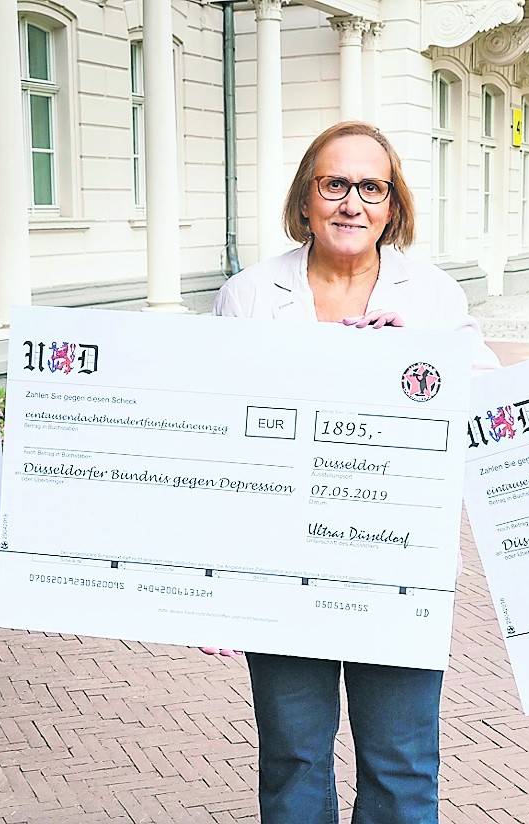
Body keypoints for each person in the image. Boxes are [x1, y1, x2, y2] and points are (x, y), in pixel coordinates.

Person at [207, 121, 498, 824]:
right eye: (334, 184)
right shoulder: (248, 296)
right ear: (305, 199)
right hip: (281, 563)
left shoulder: (433, 298)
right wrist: (211, 576)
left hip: (395, 566)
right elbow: (213, 437)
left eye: (372, 187)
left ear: (393, 206)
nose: (351, 203)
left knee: (402, 765)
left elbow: (487, 415)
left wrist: (420, 364)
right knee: (293, 758)